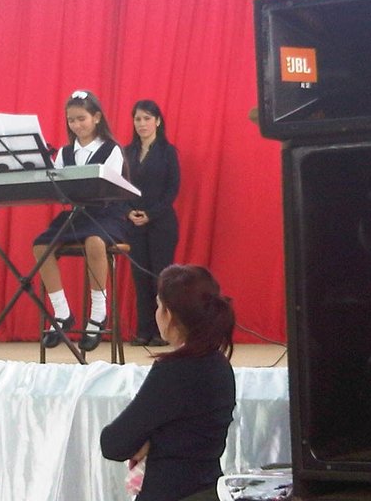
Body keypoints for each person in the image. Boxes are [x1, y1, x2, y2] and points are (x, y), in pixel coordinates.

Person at [100, 264, 236, 501]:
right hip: (208, 491)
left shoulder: (174, 370)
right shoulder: (220, 365)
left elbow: (114, 443)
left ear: (168, 315)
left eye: (159, 306)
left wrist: (148, 441)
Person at [33, 90, 128, 352]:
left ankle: (98, 313)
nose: (76, 125)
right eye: (71, 120)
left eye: (81, 118)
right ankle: (62, 313)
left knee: (95, 242)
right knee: (41, 246)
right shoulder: (64, 152)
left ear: (97, 117)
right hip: (77, 214)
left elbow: (109, 187)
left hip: (106, 213)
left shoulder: (112, 149)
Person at [124, 100, 180, 346]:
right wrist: (128, 213)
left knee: (160, 278)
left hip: (161, 224)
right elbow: (119, 188)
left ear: (158, 121)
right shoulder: (126, 153)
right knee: (140, 278)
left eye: (147, 118)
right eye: (138, 119)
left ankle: (162, 331)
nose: (142, 124)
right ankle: (143, 330)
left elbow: (172, 190)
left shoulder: (168, 152)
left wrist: (151, 214)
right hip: (133, 223)